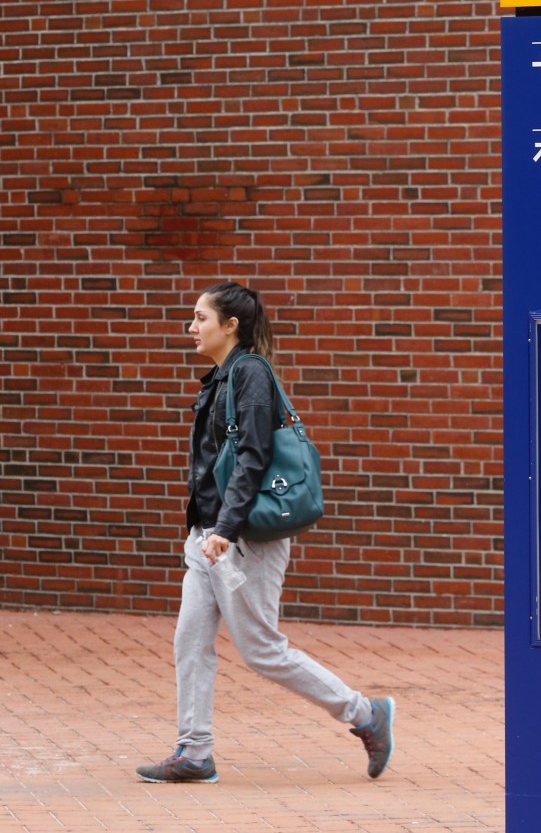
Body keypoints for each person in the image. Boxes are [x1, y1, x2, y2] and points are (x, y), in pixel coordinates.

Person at [136, 282, 395, 784]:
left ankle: (366, 714)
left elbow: (253, 457)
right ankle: (195, 752)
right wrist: (206, 529)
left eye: (200, 318)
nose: (191, 328)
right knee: (190, 641)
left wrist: (226, 528)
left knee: (261, 649)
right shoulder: (219, 378)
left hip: (241, 539)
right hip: (209, 536)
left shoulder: (249, 373)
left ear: (230, 325)